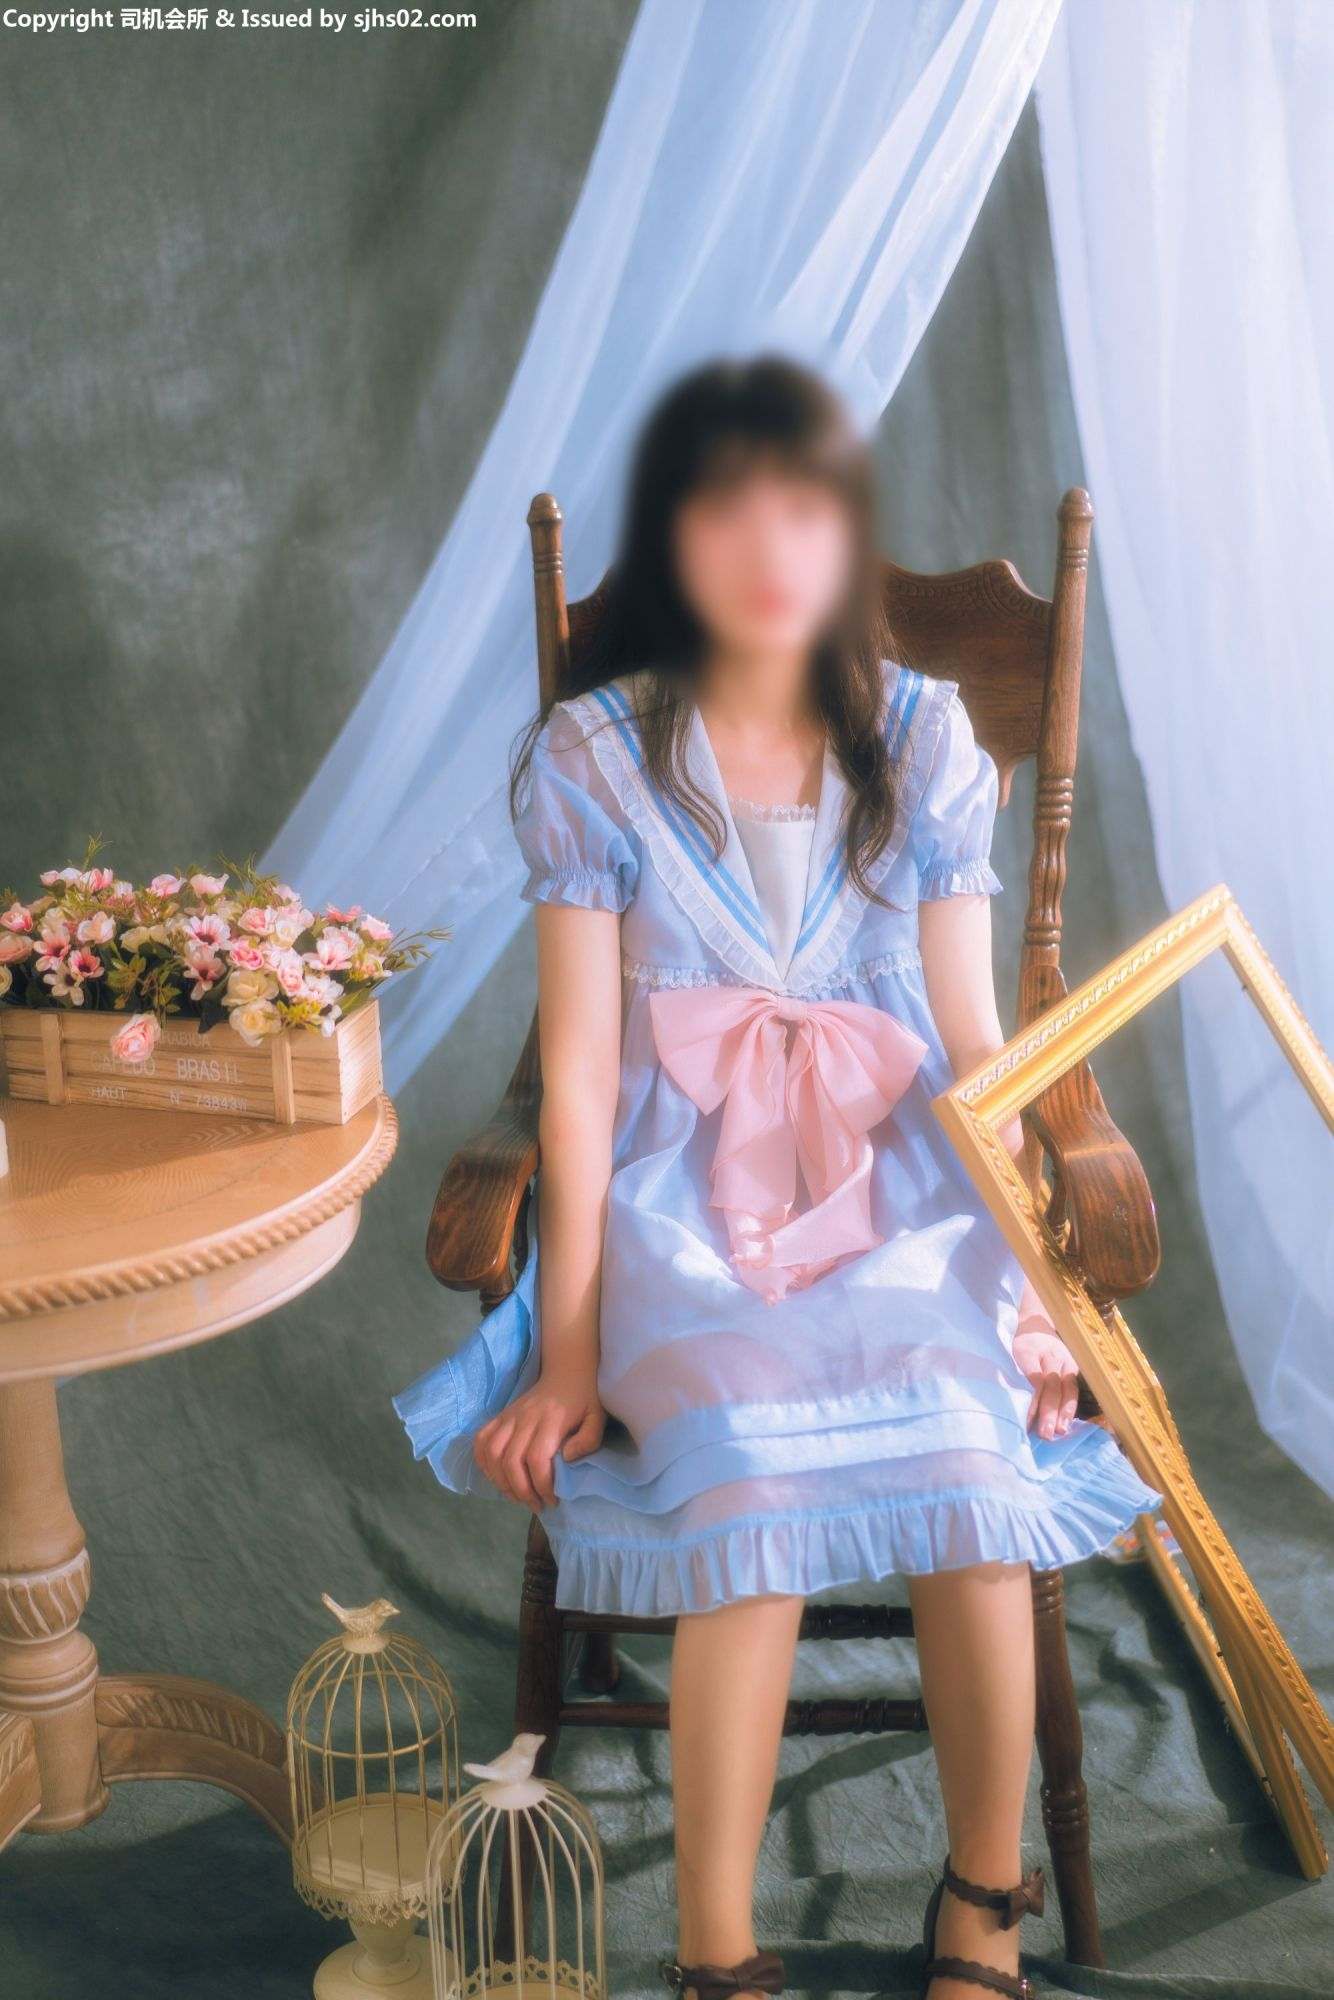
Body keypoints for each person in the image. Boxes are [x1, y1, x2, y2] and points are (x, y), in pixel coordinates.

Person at [395, 355, 1161, 2000]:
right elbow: (578, 1077)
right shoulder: (598, 757)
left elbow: (973, 1043)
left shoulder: (925, 736)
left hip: (902, 1185)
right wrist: (570, 1355)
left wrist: (1037, 1294)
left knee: (967, 1460)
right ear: (672, 540)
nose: (766, 549)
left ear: (846, 535)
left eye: (802, 512)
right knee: (742, 1480)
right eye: (723, 512)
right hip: (682, 1199)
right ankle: (717, 1954)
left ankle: (981, 1897)